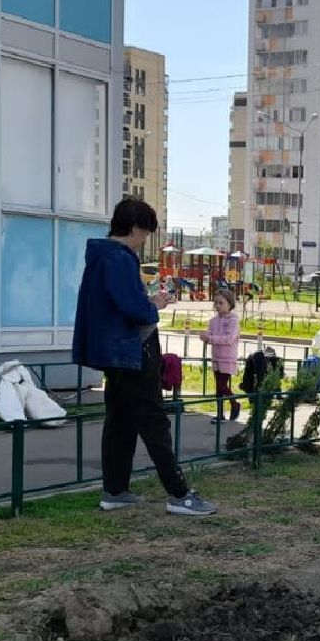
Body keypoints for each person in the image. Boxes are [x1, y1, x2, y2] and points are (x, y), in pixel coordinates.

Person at [72, 199, 216, 516]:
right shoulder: (121, 259)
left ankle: (115, 490)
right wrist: (156, 305)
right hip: (134, 350)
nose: (144, 241)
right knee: (154, 422)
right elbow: (134, 309)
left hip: (114, 354)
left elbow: (115, 305)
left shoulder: (99, 257)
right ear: (136, 228)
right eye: (145, 233)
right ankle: (179, 494)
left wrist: (148, 301)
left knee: (120, 423)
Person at [200, 287, 241, 422]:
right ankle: (220, 414)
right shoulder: (213, 321)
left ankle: (234, 403)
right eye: (216, 303)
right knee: (218, 387)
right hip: (216, 356)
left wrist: (211, 338)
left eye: (221, 303)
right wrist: (205, 336)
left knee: (222, 385)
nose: (217, 306)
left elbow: (229, 338)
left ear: (230, 304)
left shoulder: (233, 320)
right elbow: (211, 335)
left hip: (228, 357)